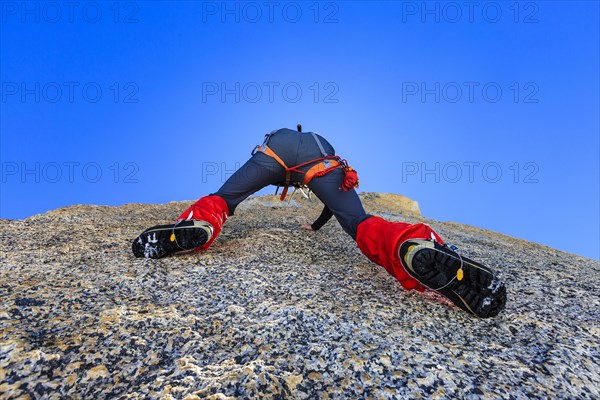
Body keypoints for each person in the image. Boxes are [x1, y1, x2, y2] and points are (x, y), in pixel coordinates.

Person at [132, 126, 507, 318]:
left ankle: (200, 225)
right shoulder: (319, 139)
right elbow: (336, 207)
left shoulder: (279, 134)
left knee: (225, 199)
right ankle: (407, 245)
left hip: (272, 153)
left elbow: (271, 168)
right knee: (359, 221)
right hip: (324, 164)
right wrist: (317, 224)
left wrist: (310, 223)